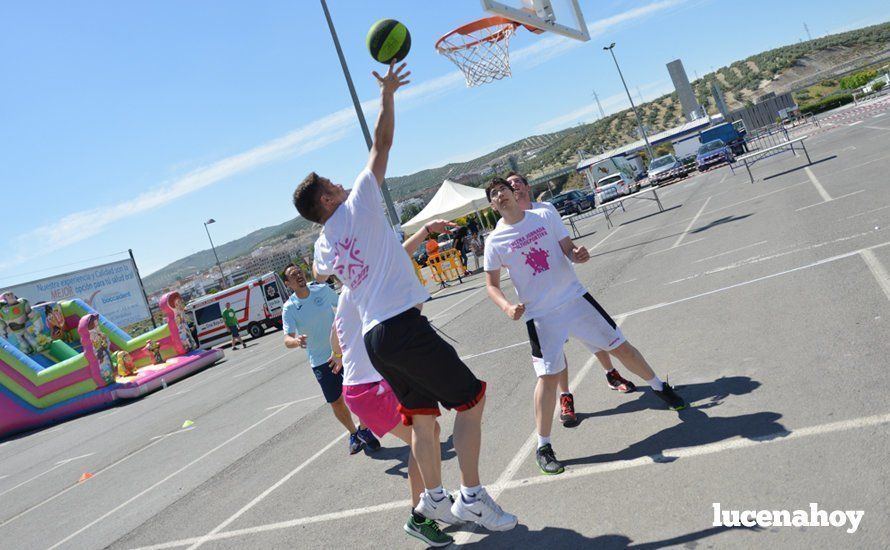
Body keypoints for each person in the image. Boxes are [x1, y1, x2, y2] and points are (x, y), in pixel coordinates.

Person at [293, 61, 516, 532]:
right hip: (401, 326)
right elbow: (382, 144)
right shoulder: (357, 203)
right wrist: (387, 95)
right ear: (329, 201)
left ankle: (433, 500)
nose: (340, 182)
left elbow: (318, 268)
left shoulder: (323, 244)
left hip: (377, 338)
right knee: (471, 401)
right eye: (332, 185)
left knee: (421, 420)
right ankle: (471, 497)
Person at [483, 177, 686, 475]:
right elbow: (491, 285)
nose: (500, 195)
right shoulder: (494, 241)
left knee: (620, 347)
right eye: (493, 195)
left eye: (503, 190)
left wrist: (578, 254)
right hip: (541, 316)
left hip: (575, 299)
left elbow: (568, 247)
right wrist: (507, 306)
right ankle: (544, 446)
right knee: (548, 377)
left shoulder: (544, 215)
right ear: (492, 205)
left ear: (515, 194)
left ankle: (659, 387)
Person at [505, 172, 637, 428]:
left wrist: (577, 254)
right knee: (557, 353)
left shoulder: (546, 210)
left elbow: (566, 244)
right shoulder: (507, 227)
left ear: (527, 186)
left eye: (518, 182)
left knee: (594, 337)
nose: (514, 188)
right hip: (541, 305)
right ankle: (566, 396)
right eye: (509, 186)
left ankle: (611, 374)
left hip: (566, 292)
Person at [282, 264, 380, 455]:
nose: (299, 276)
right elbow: (287, 339)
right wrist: (296, 341)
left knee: (360, 392)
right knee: (336, 401)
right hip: (320, 361)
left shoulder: (322, 290)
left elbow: (345, 304)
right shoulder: (289, 308)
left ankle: (364, 430)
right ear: (288, 284)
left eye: (299, 272)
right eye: (293, 276)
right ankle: (353, 433)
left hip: (343, 352)